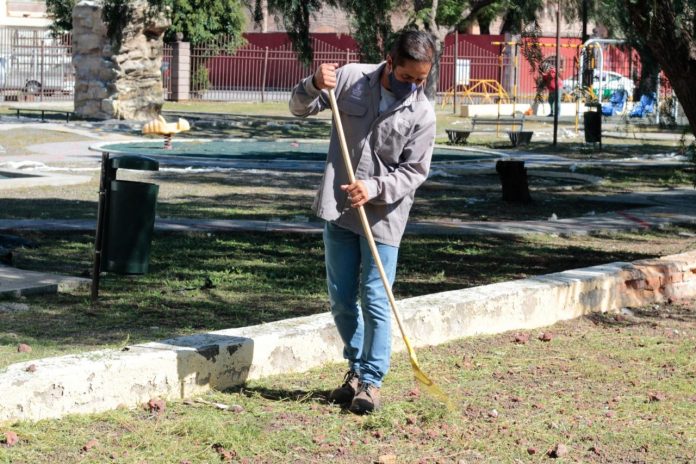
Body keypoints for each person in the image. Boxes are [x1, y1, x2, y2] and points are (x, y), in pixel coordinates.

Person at [288, 30, 436, 414]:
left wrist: (374, 187)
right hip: (339, 210)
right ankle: (354, 368)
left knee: (375, 298)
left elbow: (415, 171)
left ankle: (371, 380)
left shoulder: (421, 112)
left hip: (384, 218)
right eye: (408, 78)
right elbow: (298, 107)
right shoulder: (351, 78)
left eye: (422, 79)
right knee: (340, 300)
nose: (414, 87)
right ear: (390, 62)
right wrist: (313, 83)